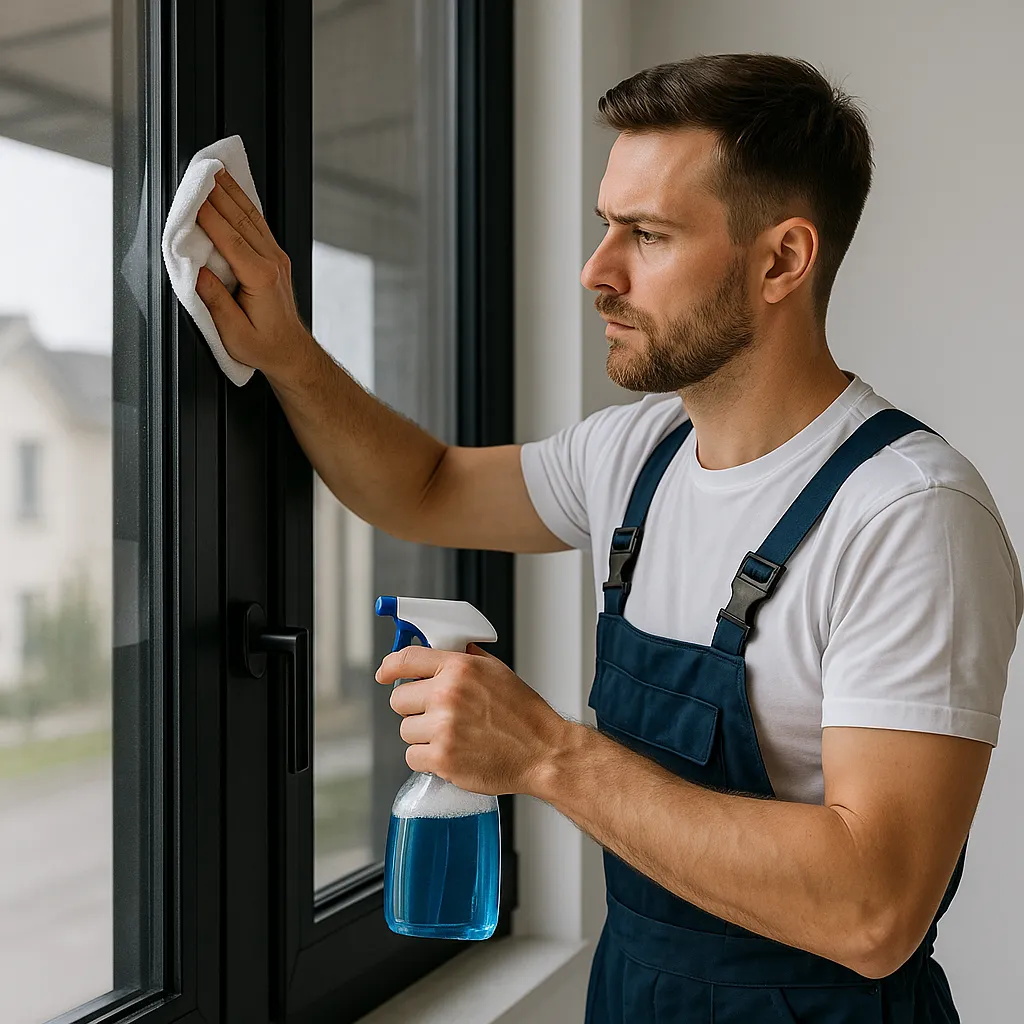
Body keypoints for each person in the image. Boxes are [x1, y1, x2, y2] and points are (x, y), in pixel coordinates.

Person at [195, 52, 1020, 1024]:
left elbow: (874, 911)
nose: (597, 272)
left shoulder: (908, 514)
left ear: (781, 260)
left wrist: (544, 753)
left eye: (647, 234)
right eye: (605, 227)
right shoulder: (637, 452)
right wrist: (288, 350)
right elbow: (424, 487)